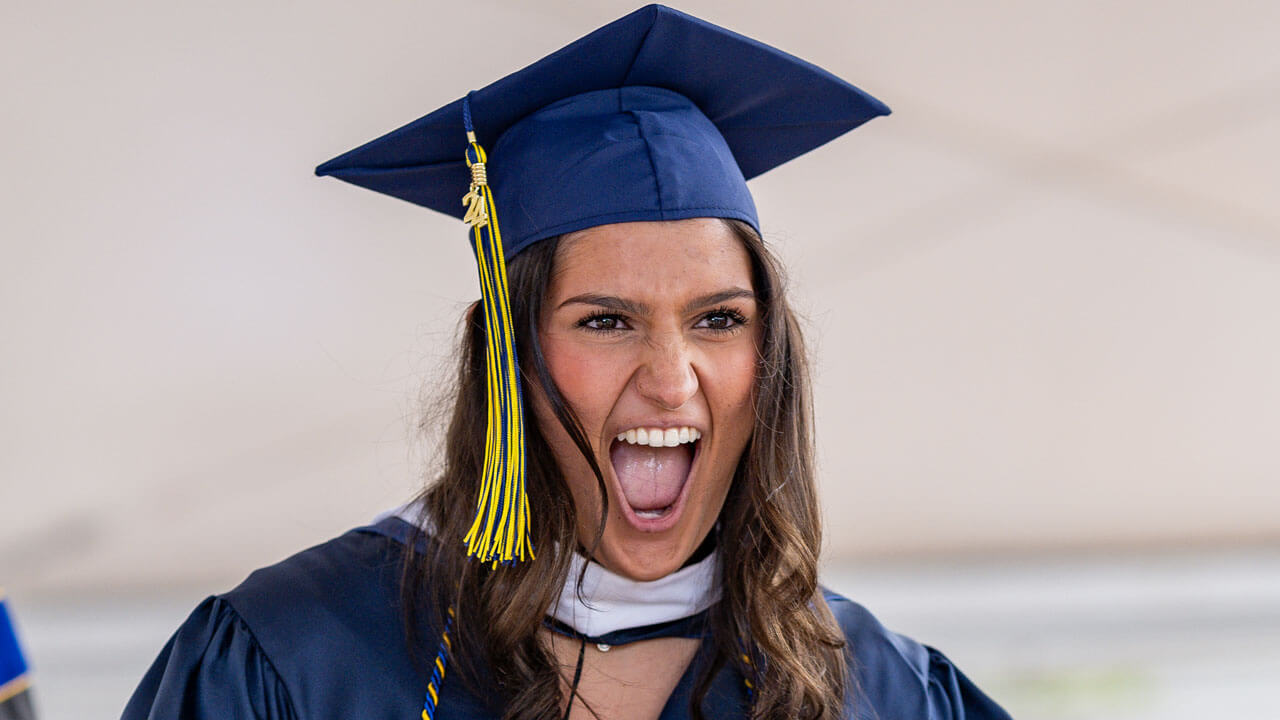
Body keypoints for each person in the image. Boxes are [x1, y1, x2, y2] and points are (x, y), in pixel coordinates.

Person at [124, 5, 1013, 719]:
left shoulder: (876, 691)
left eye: (717, 318)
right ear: (507, 359)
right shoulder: (298, 659)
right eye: (605, 321)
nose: (671, 379)